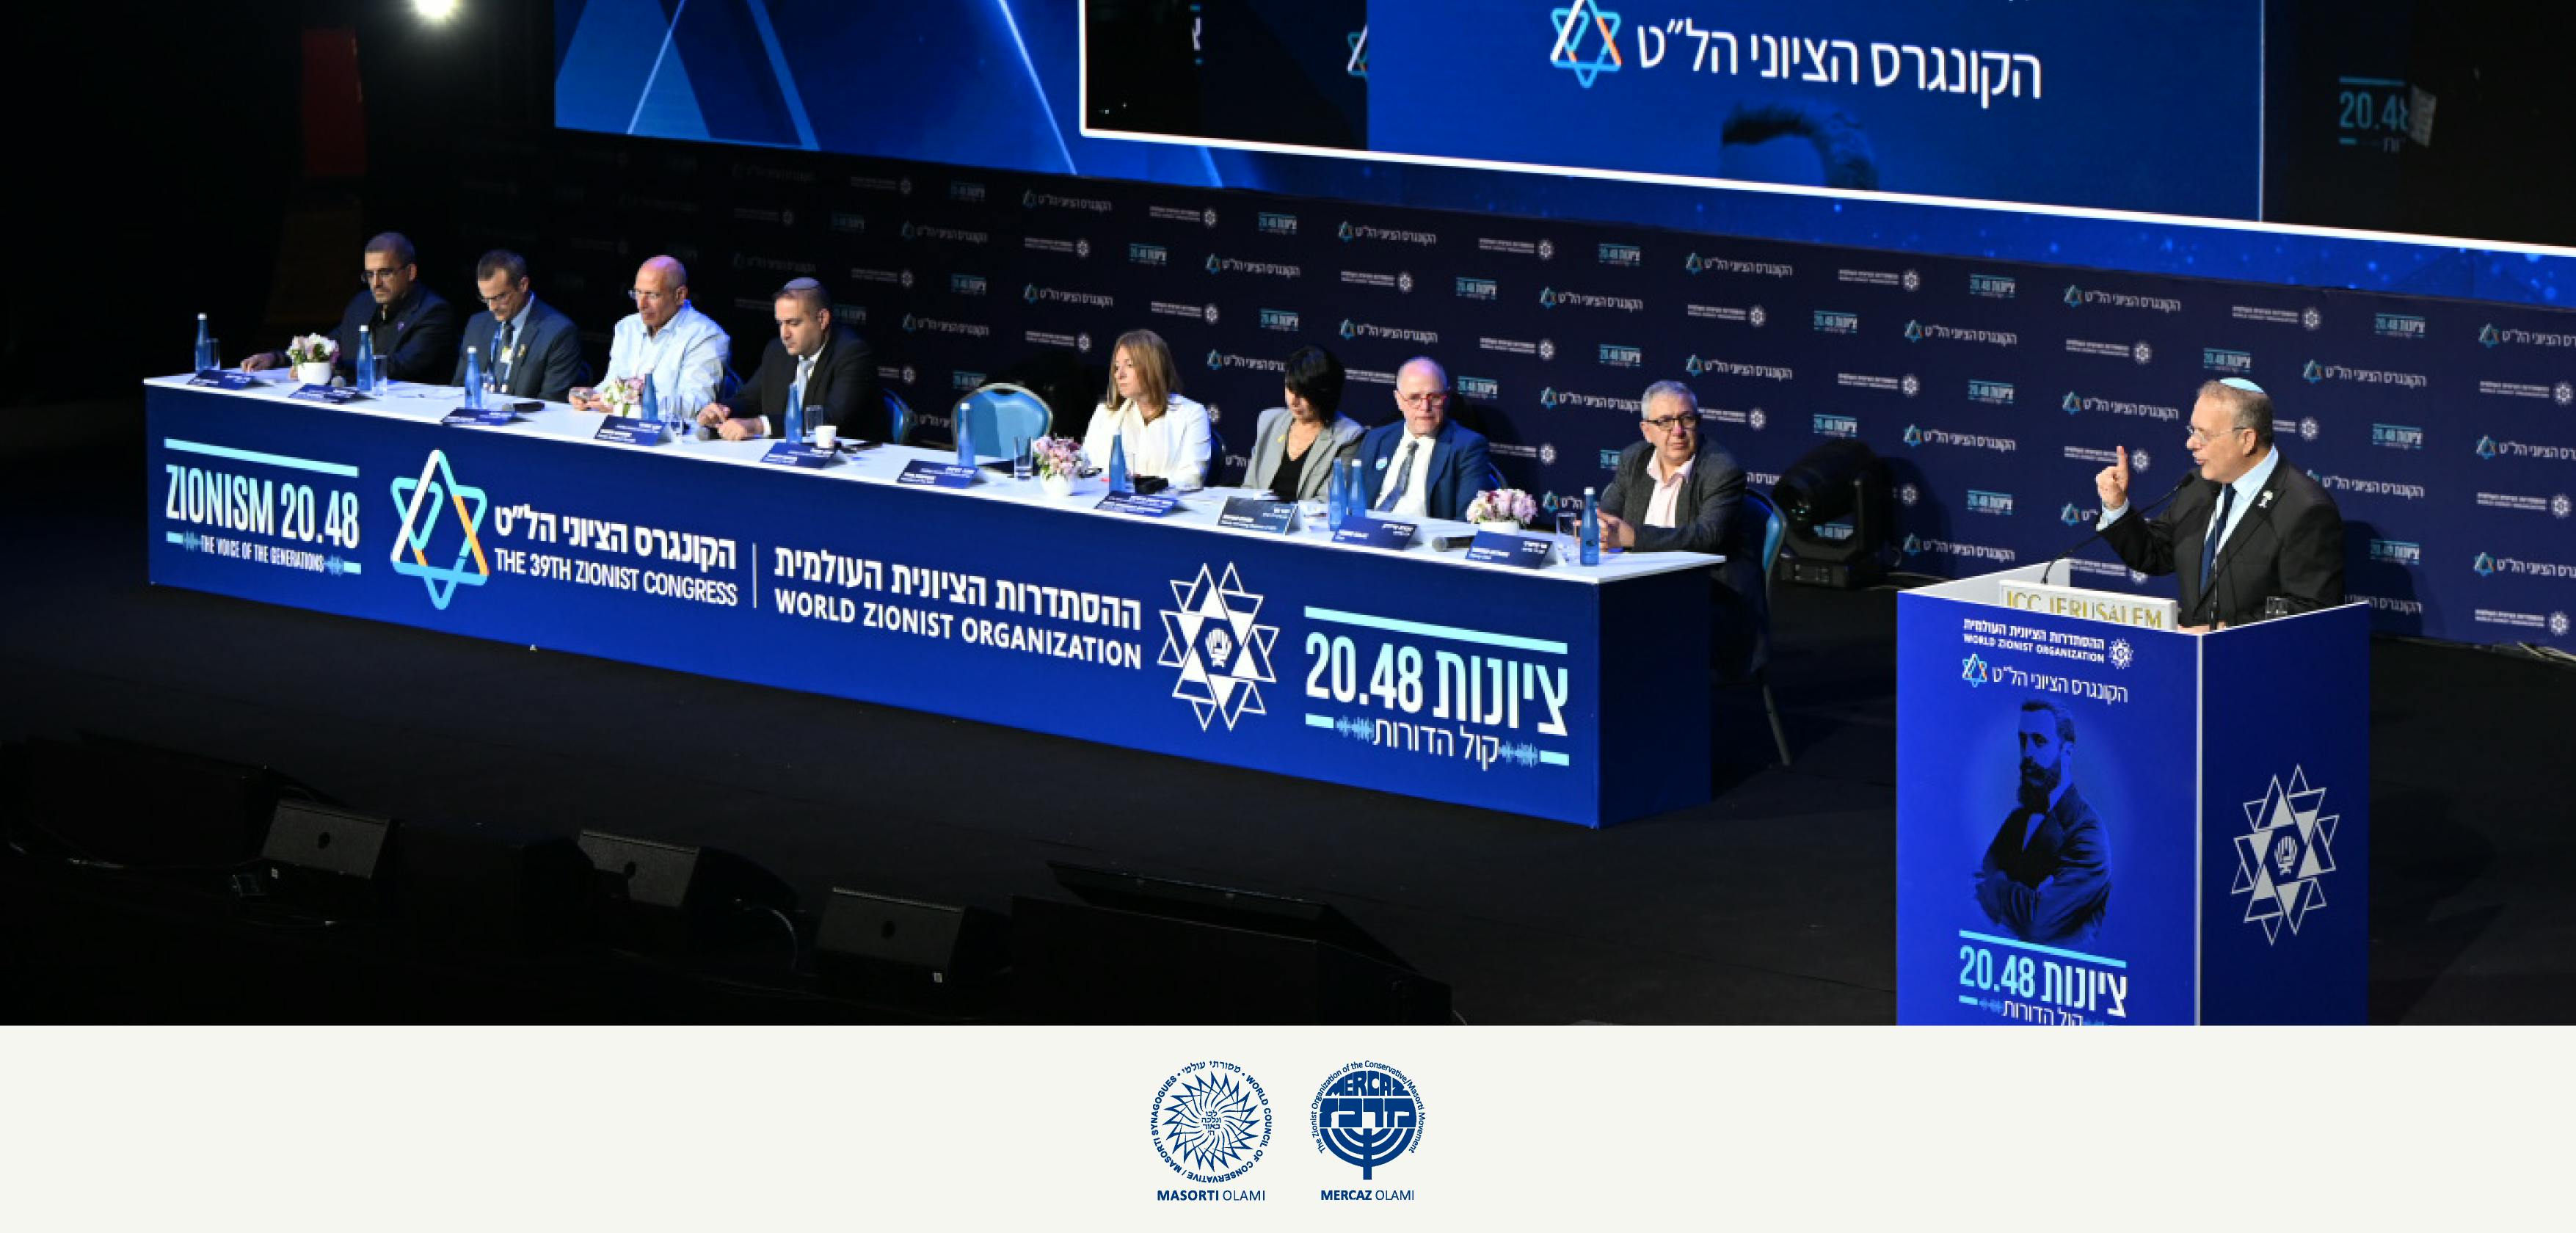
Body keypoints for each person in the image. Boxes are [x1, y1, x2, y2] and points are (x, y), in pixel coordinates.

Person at [2093, 377, 2345, 630]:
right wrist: (2117, 506)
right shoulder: (2198, 485)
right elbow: (2155, 554)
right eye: (2192, 431)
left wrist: (2221, 631)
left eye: (2204, 435)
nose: (2191, 443)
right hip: (2191, 653)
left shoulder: (2305, 509)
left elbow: (2311, 610)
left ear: (2247, 439)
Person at [1596, 380, 1769, 676]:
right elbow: (1606, 517)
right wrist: (1597, 529)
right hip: (1641, 592)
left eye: (1686, 419)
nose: (1677, 431)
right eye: (1665, 422)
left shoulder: (1720, 470)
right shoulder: (1634, 460)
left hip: (1708, 600)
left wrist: (1633, 537)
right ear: (1647, 431)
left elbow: (1707, 537)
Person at [1976, 699, 2111, 945]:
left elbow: (2039, 922)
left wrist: (1996, 887)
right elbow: (1979, 881)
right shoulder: (2017, 820)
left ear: (2066, 752)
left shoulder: (2088, 833)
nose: (2027, 754)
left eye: (2039, 741)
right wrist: (2021, 897)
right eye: (2023, 741)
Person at [241, 232, 459, 382]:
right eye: (370, 275)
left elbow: (398, 367)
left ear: (410, 273)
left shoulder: (434, 312)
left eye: (385, 273)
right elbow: (328, 346)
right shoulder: (362, 303)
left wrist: (334, 367)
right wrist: (277, 358)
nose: (376, 284)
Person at [698, 278, 882, 443]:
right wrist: (723, 411)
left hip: (849, 461)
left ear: (822, 319)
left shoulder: (853, 353)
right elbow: (750, 399)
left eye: (793, 323)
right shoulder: (777, 350)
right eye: (780, 323)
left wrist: (758, 425)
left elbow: (832, 419)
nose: (784, 334)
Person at [570, 255, 729, 421]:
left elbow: (696, 405)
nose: (641, 305)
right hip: (618, 426)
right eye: (638, 293)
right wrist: (591, 395)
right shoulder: (627, 327)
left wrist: (626, 405)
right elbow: (613, 384)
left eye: (652, 295)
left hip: (670, 434)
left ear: (680, 295)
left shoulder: (707, 336)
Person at [1353, 356, 1493, 521]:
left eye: (1434, 397)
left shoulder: (1467, 447)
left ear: (1447, 397)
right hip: (1370, 530)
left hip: (1425, 535)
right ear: (1399, 400)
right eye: (1414, 398)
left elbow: (1468, 520)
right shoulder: (1376, 439)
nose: (1425, 407)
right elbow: (1351, 501)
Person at [1080, 329, 1212, 490]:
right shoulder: (1105, 413)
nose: (1119, 375)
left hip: (1167, 504)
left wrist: (1146, 485)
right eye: (1117, 366)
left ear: (1152, 368)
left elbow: (1192, 477)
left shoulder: (1192, 414)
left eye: (1129, 365)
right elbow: (1088, 469)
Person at [451, 250, 586, 402]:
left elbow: (551, 403)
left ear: (523, 285)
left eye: (500, 297)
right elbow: (460, 389)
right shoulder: (477, 324)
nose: (492, 307)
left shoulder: (559, 333)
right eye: (486, 299)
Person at [1240, 346, 1364, 501]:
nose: (1294, 401)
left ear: (1324, 394)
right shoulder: (1269, 421)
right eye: (1290, 389)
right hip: (1260, 514)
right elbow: (1249, 487)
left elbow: (1328, 501)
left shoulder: (1348, 436)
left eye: (1303, 394)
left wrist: (1283, 513)